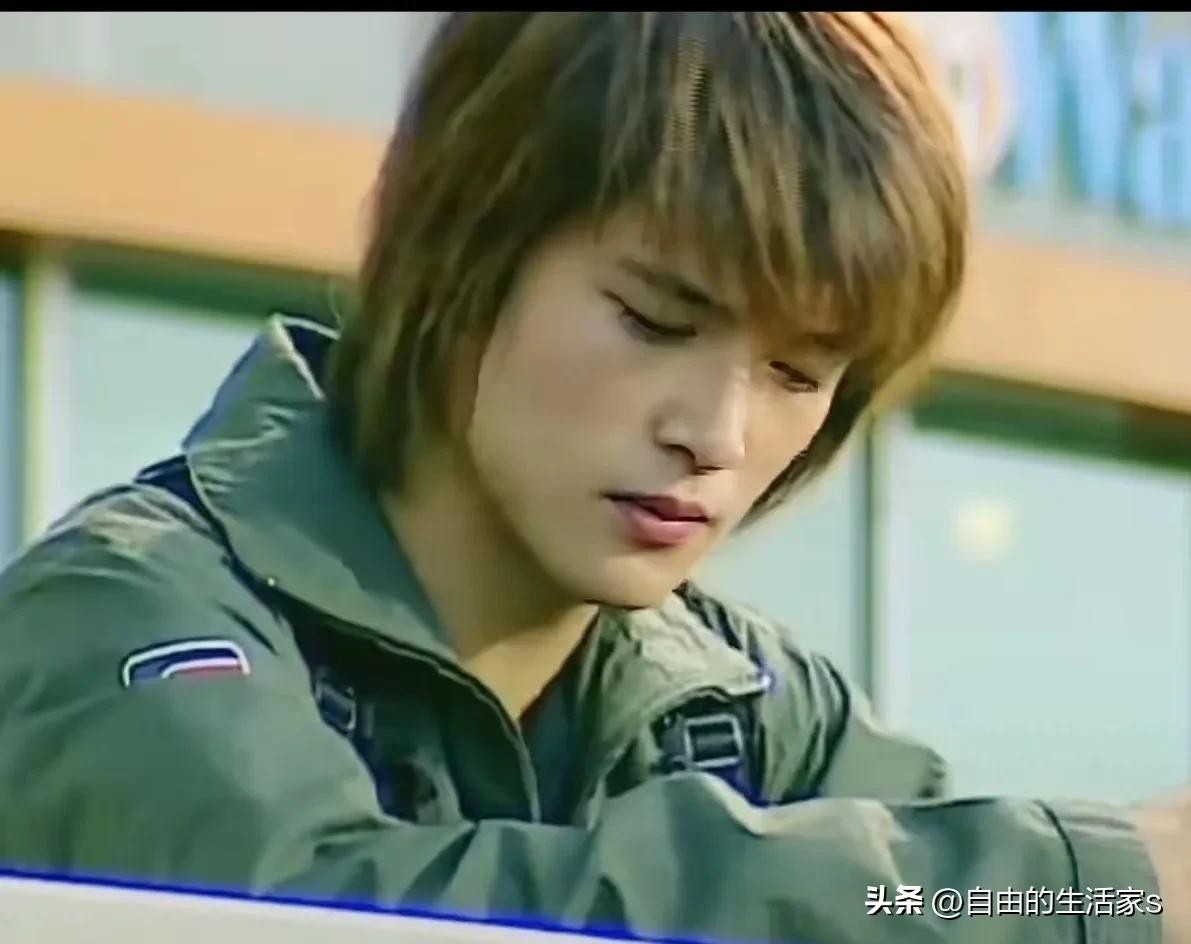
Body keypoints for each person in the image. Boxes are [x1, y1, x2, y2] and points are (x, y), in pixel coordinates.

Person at [0, 11, 1185, 944]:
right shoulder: (119, 613)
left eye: (798, 370)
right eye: (655, 318)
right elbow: (324, 910)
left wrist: (1098, 891)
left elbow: (930, 901)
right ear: (466, 244)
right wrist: (1085, 880)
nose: (716, 430)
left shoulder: (754, 713)